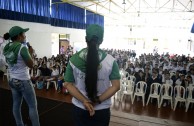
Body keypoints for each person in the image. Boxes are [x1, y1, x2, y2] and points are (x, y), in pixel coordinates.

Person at [64, 24, 121, 126]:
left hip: (80, 108)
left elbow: (68, 84)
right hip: (102, 109)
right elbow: (116, 86)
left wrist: (85, 101)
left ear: (86, 39)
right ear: (101, 40)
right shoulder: (111, 61)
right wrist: (97, 101)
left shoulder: (73, 59)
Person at [3, 26, 40, 126]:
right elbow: (31, 65)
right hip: (23, 80)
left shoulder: (7, 47)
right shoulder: (22, 48)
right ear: (19, 36)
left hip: (12, 79)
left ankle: (20, 124)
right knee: (32, 106)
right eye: (23, 34)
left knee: (16, 104)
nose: (25, 35)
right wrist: (31, 54)